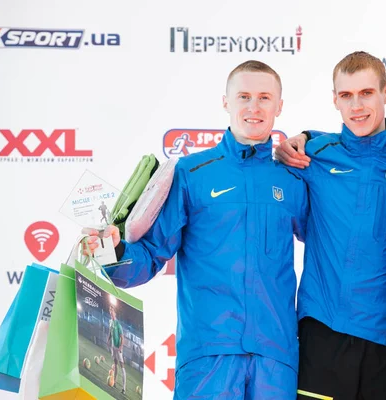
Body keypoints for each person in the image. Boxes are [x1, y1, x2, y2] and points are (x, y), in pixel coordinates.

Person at [83, 60, 308, 399]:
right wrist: (110, 250)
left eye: (264, 97)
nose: (253, 107)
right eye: (244, 96)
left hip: (275, 358)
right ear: (225, 102)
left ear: (279, 105)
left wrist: (310, 137)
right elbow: (149, 255)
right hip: (208, 355)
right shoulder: (192, 173)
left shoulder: (293, 179)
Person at [278, 51, 386, 399]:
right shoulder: (314, 153)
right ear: (334, 100)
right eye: (346, 95)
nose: (356, 106)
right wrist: (298, 138)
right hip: (322, 330)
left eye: (366, 93)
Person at [107, 305, 126, 394]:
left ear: (115, 312)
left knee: (122, 367)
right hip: (113, 348)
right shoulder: (110, 322)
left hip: (118, 348)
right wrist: (108, 340)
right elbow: (110, 332)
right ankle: (114, 382)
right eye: (110, 310)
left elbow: (122, 338)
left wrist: (120, 347)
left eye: (112, 310)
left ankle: (124, 388)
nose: (111, 312)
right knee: (115, 364)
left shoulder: (118, 324)